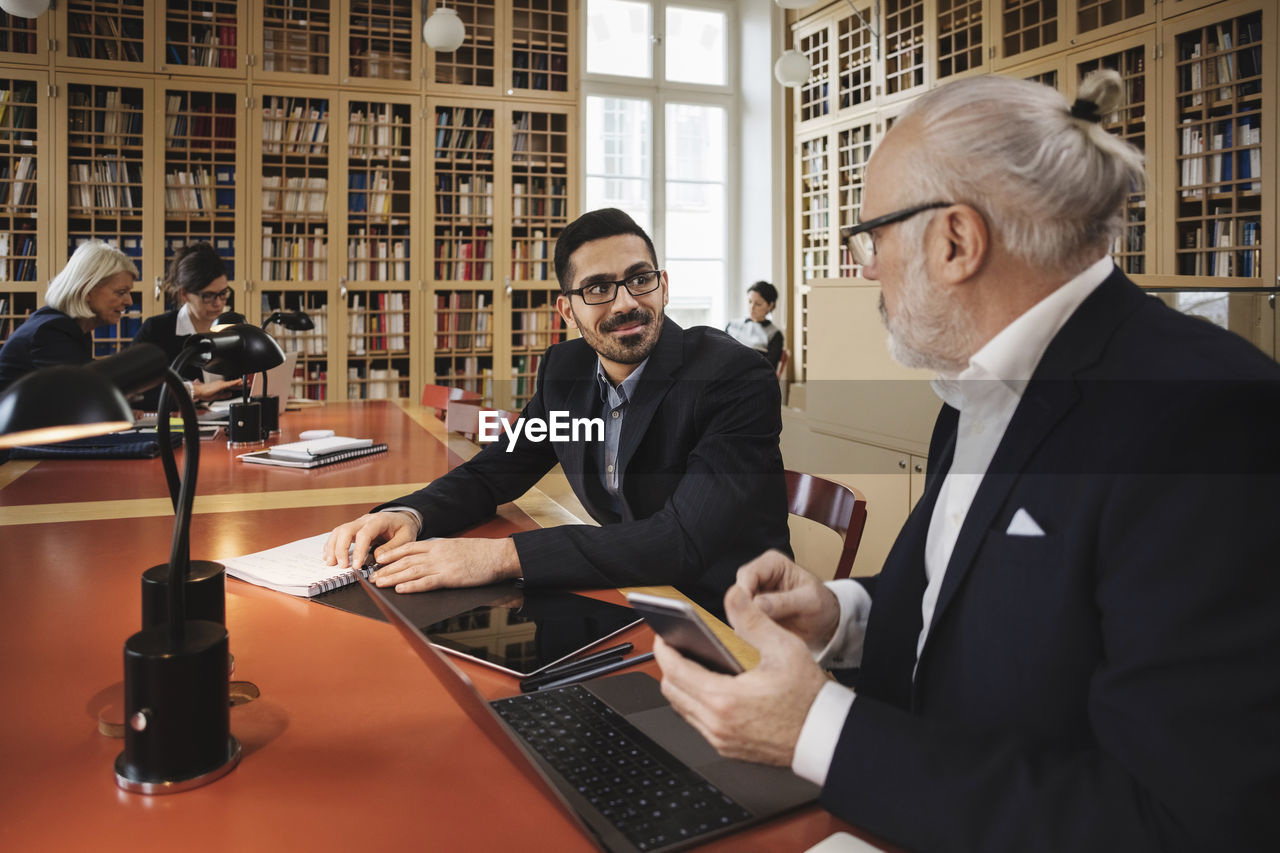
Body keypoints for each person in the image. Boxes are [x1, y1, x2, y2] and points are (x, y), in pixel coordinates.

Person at [652, 71, 1280, 851]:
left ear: (955, 241)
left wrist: (819, 730)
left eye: (871, 237)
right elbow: (996, 599)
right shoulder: (975, 385)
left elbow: (1184, 822)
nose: (864, 267)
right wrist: (844, 613)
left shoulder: (1206, 414)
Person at [324, 207, 790, 614]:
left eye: (640, 279)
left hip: (729, 616)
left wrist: (499, 557)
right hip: (631, 595)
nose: (626, 302)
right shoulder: (564, 371)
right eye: (598, 289)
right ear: (567, 311)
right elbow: (496, 471)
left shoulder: (732, 377)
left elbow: (683, 540)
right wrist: (411, 515)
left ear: (663, 285)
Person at [0, 240, 137, 394]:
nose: (129, 301)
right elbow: (88, 391)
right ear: (86, 290)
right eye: (121, 292)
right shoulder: (49, 333)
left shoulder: (70, 328)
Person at [131, 242, 243, 408]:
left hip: (227, 422)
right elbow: (133, 391)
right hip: (181, 424)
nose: (218, 303)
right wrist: (194, 391)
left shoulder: (233, 327)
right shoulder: (157, 329)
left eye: (222, 294)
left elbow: (240, 387)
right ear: (184, 294)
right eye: (208, 296)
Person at [724, 281, 784, 369]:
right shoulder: (732, 325)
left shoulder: (774, 334)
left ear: (770, 305)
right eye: (750, 301)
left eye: (758, 304)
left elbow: (769, 368)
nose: (752, 307)